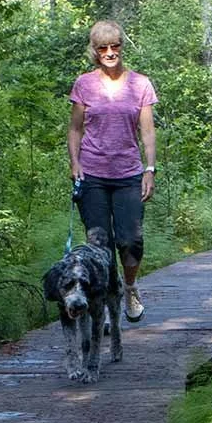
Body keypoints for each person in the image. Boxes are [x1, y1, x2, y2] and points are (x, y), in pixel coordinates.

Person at [67, 20, 157, 322]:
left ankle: (129, 288)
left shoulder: (140, 84)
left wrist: (150, 169)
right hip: (92, 175)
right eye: (103, 47)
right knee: (98, 243)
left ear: (121, 46)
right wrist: (75, 164)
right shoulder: (84, 84)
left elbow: (147, 131)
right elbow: (75, 129)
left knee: (130, 239)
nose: (110, 52)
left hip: (128, 174)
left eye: (115, 46)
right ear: (94, 51)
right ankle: (106, 300)